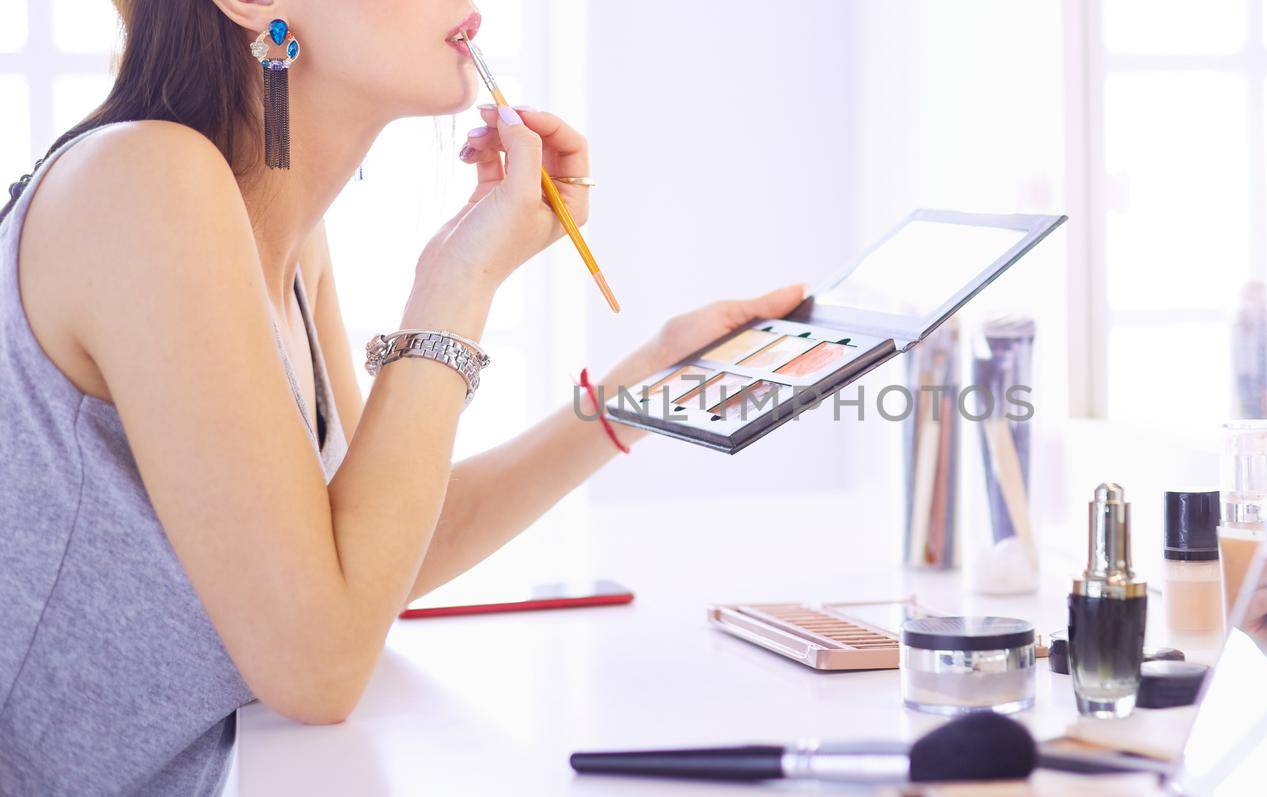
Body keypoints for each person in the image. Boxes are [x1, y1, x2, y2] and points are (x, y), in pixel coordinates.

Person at [0, 1, 801, 793]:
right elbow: (318, 665)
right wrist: (458, 279)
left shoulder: (281, 231)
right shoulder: (145, 180)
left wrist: (648, 385)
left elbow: (369, 553)